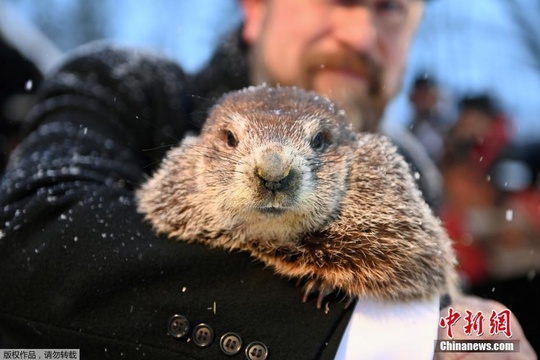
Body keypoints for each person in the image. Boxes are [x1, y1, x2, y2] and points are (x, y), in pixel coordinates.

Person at [0, 0, 536, 358]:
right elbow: (31, 244)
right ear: (255, 9)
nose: (361, 34)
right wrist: (402, 336)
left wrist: (483, 335)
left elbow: (465, 322)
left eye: (392, 9)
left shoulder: (409, 165)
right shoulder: (129, 90)